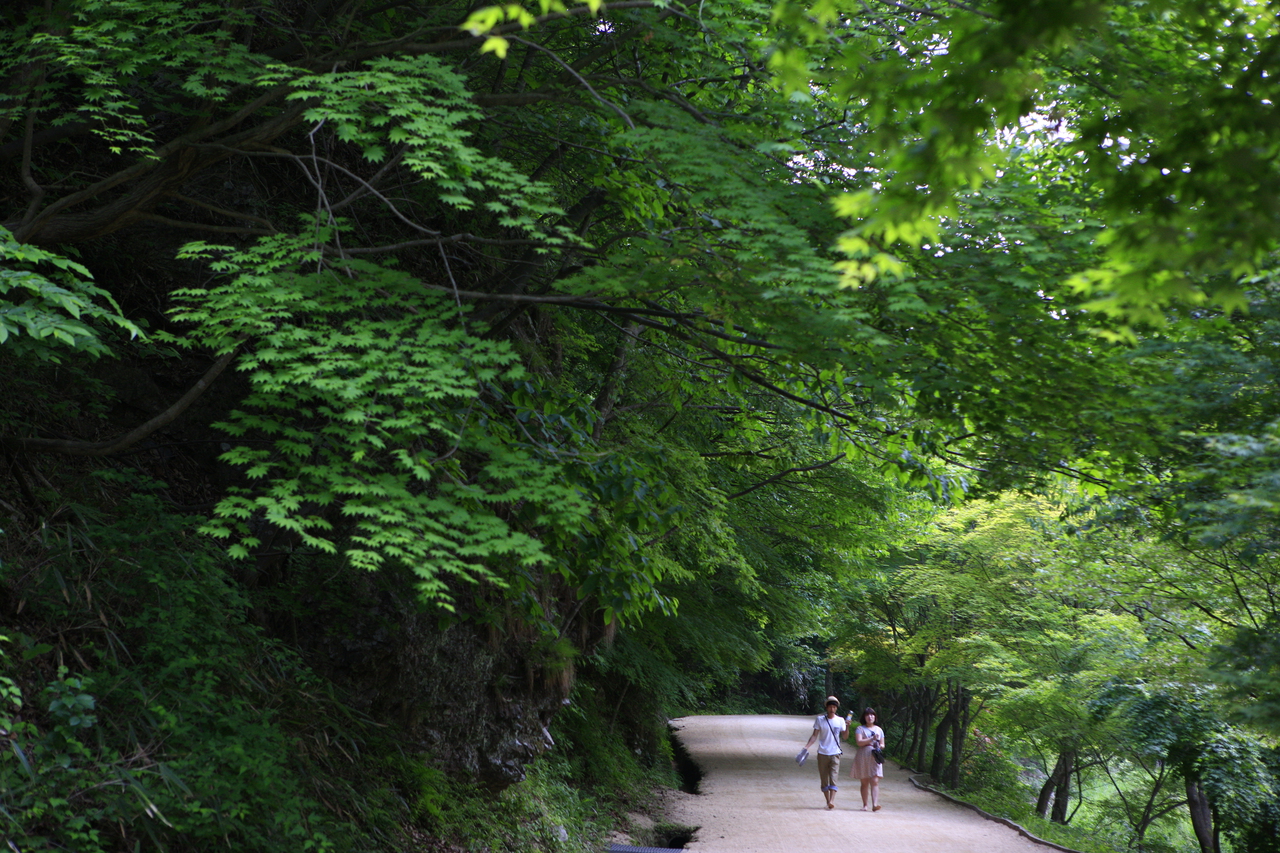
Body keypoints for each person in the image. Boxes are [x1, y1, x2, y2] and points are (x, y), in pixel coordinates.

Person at [800, 696, 847, 809]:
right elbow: (814, 735)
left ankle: (832, 800)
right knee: (824, 778)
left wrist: (848, 727)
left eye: (834, 707)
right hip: (822, 753)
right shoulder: (820, 720)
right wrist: (806, 747)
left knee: (834, 777)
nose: (832, 708)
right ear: (826, 707)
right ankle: (828, 801)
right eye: (830, 706)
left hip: (835, 752)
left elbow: (845, 736)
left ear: (836, 708)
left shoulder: (840, 720)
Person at [850, 707, 886, 811]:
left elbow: (883, 744)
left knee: (875, 780)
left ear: (875, 717)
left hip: (875, 756)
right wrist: (871, 739)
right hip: (863, 756)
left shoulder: (879, 730)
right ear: (864, 717)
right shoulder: (860, 729)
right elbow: (859, 742)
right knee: (864, 780)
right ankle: (865, 805)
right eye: (868, 715)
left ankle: (875, 804)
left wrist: (879, 745)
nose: (870, 717)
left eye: (872, 715)